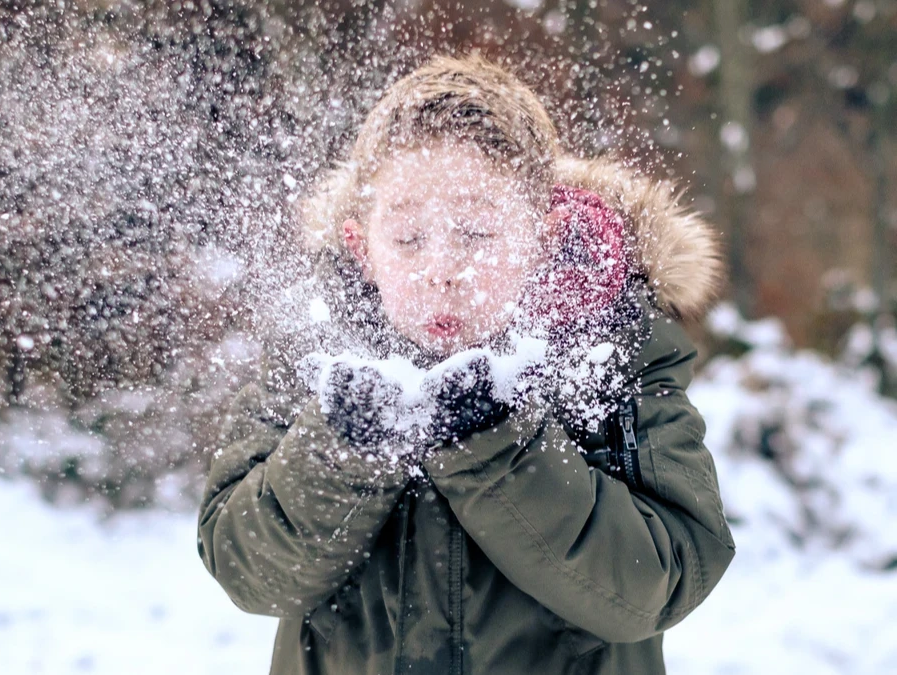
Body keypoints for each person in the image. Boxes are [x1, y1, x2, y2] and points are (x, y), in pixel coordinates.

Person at [197, 53, 735, 675]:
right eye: (406, 239)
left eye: (477, 232)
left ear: (543, 233)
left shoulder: (610, 349)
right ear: (361, 246)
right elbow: (248, 571)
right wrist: (347, 446)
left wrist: (496, 443)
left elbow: (659, 583)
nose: (442, 270)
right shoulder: (317, 354)